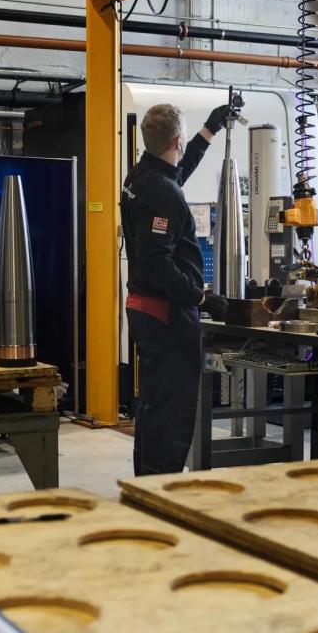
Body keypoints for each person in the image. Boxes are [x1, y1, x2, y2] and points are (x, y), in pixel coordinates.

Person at [121, 102, 232, 476]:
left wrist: (209, 131)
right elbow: (157, 263)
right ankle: (161, 486)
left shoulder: (140, 176)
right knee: (171, 411)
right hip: (166, 314)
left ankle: (146, 484)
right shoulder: (163, 193)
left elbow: (176, 174)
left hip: (145, 309)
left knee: (154, 405)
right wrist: (201, 298)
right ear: (177, 141)